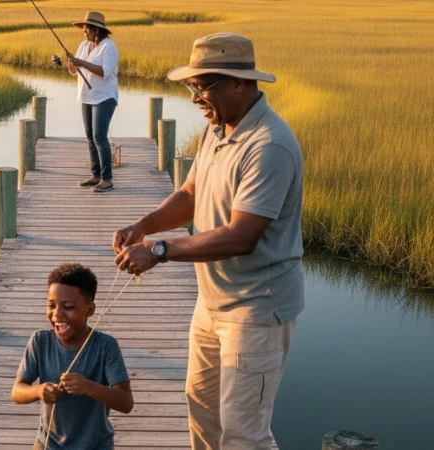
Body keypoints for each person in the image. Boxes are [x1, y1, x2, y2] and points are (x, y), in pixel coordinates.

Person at [111, 33, 304, 450]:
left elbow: (241, 237)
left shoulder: (269, 145)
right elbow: (191, 194)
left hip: (257, 308)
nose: (196, 97)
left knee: (243, 433)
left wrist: (158, 251)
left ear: (240, 82)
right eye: (191, 87)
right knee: (202, 410)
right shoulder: (215, 129)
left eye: (204, 86)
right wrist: (143, 226)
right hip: (212, 302)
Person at [11, 263, 133, 449]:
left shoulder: (105, 346)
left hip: (96, 445)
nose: (57, 314)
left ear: (89, 310)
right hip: (48, 444)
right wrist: (38, 391)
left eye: (68, 307)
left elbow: (126, 402)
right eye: (51, 305)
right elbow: (17, 392)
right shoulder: (39, 341)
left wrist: (89, 387)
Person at [65, 11, 119, 193]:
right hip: (86, 97)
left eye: (87, 27)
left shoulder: (109, 47)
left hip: (104, 98)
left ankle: (107, 179)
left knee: (99, 138)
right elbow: (74, 70)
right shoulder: (83, 45)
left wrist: (81, 62)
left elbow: (104, 71)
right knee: (90, 138)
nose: (84, 30)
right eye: (84, 27)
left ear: (97, 30)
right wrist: (72, 63)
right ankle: (96, 175)